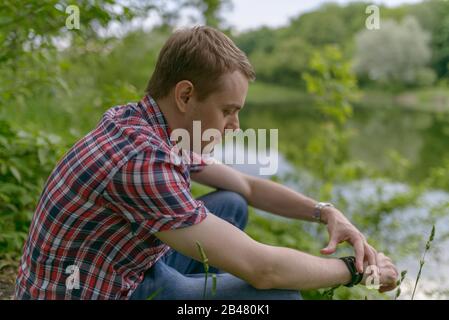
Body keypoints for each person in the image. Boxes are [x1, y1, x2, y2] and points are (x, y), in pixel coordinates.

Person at [15, 26, 398, 300]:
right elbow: (264, 269)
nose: (235, 126)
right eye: (228, 111)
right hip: (96, 291)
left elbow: (247, 187)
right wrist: (357, 271)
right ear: (185, 95)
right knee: (276, 294)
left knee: (231, 202)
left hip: (126, 269)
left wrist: (325, 212)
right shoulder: (142, 160)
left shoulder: (145, 123)